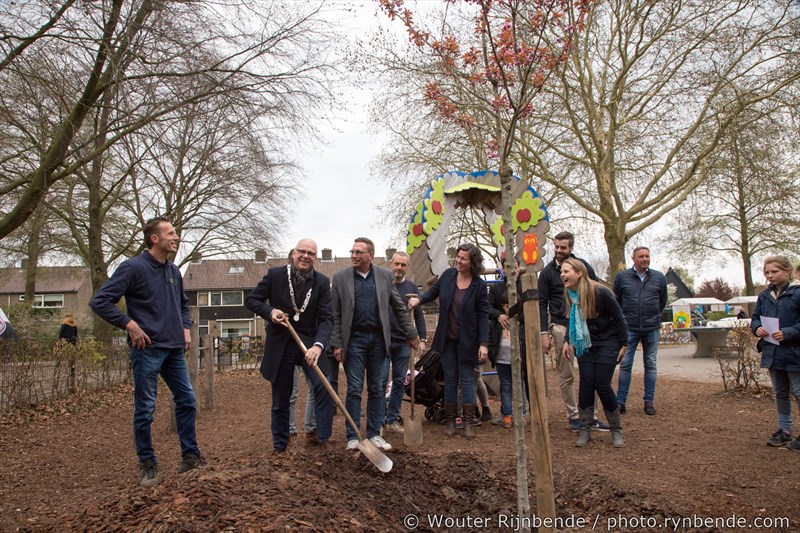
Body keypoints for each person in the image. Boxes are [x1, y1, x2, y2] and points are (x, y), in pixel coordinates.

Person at [90, 216, 204, 487]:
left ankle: (190, 457)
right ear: (155, 238)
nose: (176, 237)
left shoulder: (173, 271)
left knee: (187, 400)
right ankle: (148, 464)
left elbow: (183, 304)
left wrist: (185, 329)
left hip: (174, 349)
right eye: (170, 233)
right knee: (145, 409)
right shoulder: (132, 268)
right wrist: (129, 325)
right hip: (147, 350)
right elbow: (100, 301)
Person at [245, 238, 335, 452]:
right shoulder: (275, 275)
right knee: (281, 395)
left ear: (316, 258)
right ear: (293, 253)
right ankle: (280, 445)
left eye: (310, 253)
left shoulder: (322, 282)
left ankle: (322, 439)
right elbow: (252, 300)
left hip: (310, 343)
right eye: (302, 251)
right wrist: (270, 312)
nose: (305, 256)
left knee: (324, 385)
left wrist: (318, 346)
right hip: (282, 342)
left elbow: (326, 319)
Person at [330, 237, 419, 451]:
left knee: (377, 388)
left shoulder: (384, 276)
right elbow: (335, 314)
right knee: (354, 388)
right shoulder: (340, 278)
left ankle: (374, 433)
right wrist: (337, 343)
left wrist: (411, 333)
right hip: (354, 341)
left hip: (379, 340)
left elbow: (398, 307)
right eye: (352, 251)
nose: (354, 255)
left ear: (370, 255)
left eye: (358, 252)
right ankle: (353, 436)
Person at [408, 243, 489, 439]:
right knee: (450, 380)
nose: (458, 261)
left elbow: (483, 316)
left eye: (463, 259)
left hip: (468, 342)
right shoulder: (447, 276)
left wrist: (484, 344)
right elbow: (432, 292)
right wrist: (419, 299)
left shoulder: (479, 286)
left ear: (473, 262)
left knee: (467, 380)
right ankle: (451, 421)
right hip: (447, 340)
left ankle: (468, 422)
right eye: (457, 257)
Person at [538, 231, 608, 431]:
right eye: (556, 246)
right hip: (560, 324)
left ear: (571, 248)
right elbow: (541, 303)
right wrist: (544, 333)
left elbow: (596, 291)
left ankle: (591, 415)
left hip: (584, 324)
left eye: (563, 247)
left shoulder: (583, 267)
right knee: (566, 373)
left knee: (590, 371)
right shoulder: (547, 273)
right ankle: (574, 415)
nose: (559, 250)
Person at [560, 258, 629, 448]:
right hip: (586, 342)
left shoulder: (600, 292)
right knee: (586, 383)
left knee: (602, 384)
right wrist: (567, 340)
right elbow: (572, 319)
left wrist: (624, 343)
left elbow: (619, 317)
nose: (562, 275)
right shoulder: (571, 294)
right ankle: (585, 429)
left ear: (579, 273)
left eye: (566, 271)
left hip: (608, 341)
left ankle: (616, 430)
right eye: (561, 272)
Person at [751, 256, 800, 451]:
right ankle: (784, 430)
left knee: (798, 392)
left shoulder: (797, 293)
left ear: (787, 271)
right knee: (780, 392)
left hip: (795, 352)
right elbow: (755, 318)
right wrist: (757, 328)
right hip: (773, 352)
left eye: (774, 271)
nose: (770, 275)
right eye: (767, 272)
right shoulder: (764, 296)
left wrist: (788, 333)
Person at [613, 246, 667, 416]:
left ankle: (648, 402)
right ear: (634, 259)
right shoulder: (622, 277)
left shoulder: (659, 277)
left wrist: (653, 315)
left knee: (650, 364)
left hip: (651, 328)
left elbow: (662, 301)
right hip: (629, 327)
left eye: (647, 256)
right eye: (641, 256)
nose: (645, 259)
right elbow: (617, 301)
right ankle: (620, 402)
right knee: (625, 364)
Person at [382, 251, 427, 434]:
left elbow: (419, 315)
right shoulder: (383, 284)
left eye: (403, 265)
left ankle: (392, 420)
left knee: (400, 381)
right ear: (391, 264)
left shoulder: (411, 288)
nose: (399, 268)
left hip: (403, 342)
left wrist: (422, 338)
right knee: (380, 381)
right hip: (383, 341)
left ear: (407, 267)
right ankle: (379, 420)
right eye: (397, 264)